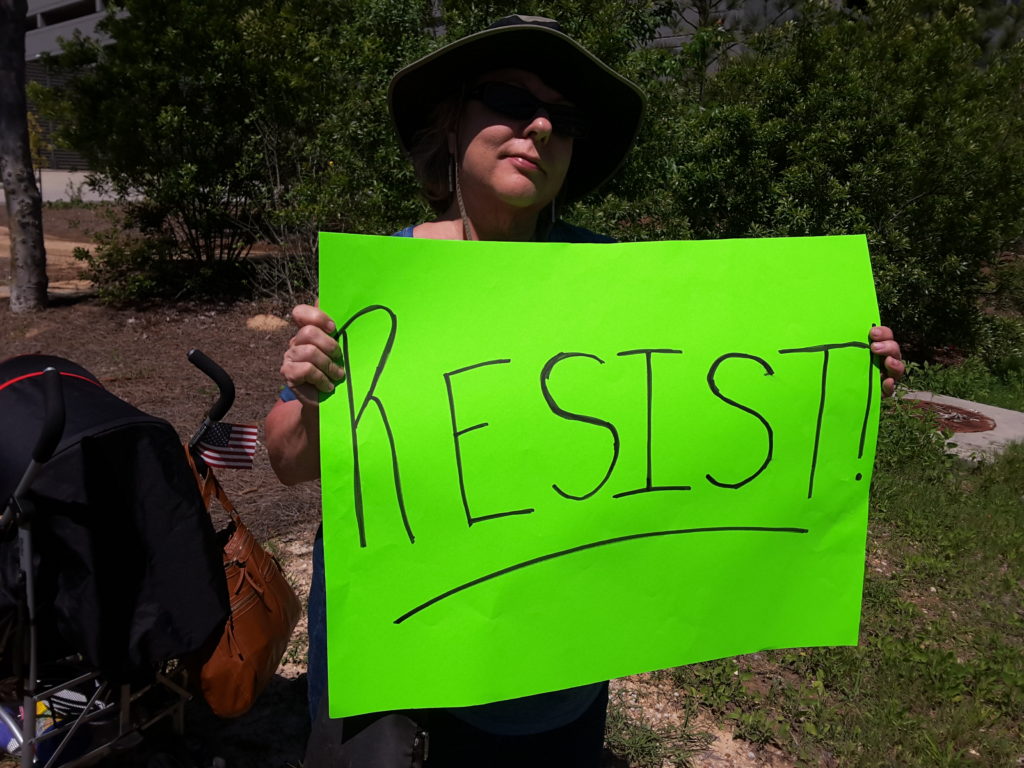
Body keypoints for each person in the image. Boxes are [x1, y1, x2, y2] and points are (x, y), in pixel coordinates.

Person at [265, 15, 906, 767]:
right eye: (507, 98)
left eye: (562, 120)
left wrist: (837, 376)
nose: (538, 125)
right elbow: (285, 461)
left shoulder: (615, 283)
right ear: (450, 125)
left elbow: (699, 423)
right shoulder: (385, 288)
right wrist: (311, 391)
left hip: (551, 674)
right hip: (399, 673)